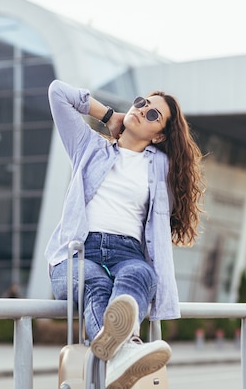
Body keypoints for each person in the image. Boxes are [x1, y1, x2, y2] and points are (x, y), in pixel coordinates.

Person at [46, 79, 204, 389]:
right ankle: (126, 353)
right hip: (78, 252)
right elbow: (57, 93)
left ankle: (118, 358)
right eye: (142, 103)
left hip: (128, 253)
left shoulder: (161, 166)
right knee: (94, 281)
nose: (142, 110)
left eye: (152, 115)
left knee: (141, 274)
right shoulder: (88, 146)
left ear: (159, 135)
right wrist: (109, 116)